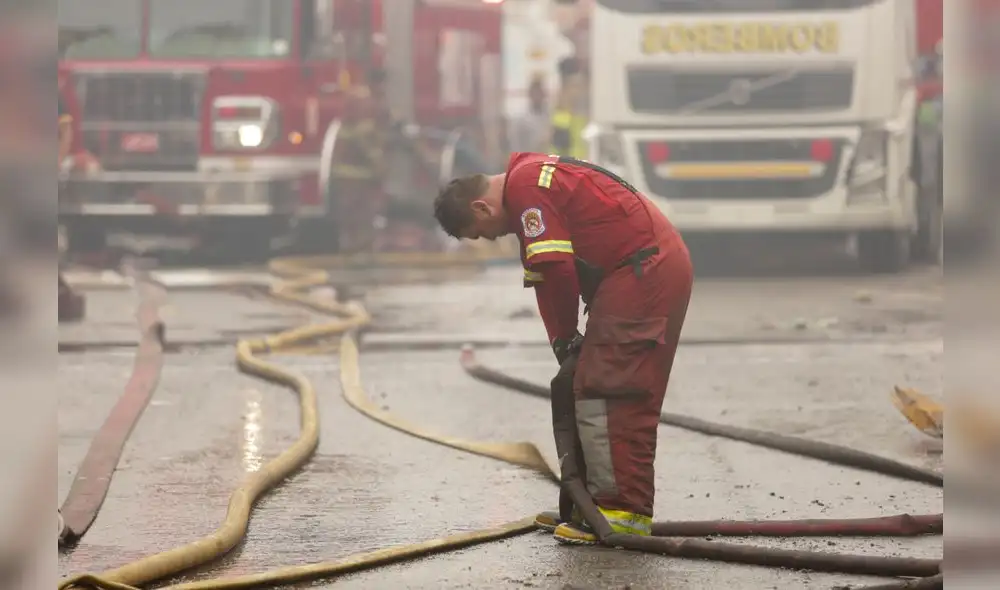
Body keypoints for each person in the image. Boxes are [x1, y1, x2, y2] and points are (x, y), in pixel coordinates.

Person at [433, 153, 693, 545]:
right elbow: (543, 277)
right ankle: (593, 506)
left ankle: (621, 515)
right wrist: (562, 342)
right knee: (588, 383)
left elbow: (557, 268)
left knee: (611, 390)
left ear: (481, 206)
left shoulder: (526, 189)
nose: (492, 238)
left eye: (483, 232)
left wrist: (570, 334)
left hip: (644, 273)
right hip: (638, 271)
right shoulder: (529, 186)